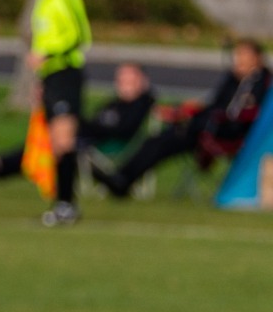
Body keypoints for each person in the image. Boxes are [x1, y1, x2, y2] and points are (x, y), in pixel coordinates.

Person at [96, 40, 269, 198]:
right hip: (204, 127)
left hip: (225, 134)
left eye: (243, 56)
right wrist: (183, 111)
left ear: (257, 58)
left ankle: (123, 180)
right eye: (237, 56)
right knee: (157, 140)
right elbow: (214, 105)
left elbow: (240, 115)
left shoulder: (261, 82)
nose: (238, 61)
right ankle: (122, 178)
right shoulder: (232, 79)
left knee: (165, 141)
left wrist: (202, 118)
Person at [0, 62, 153, 180]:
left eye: (129, 80)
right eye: (121, 79)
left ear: (142, 81)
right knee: (44, 140)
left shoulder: (141, 103)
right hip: (84, 136)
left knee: (52, 140)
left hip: (96, 144)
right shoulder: (114, 103)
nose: (123, 84)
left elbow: (121, 129)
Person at [25, 0, 91, 226]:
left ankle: (67, 205)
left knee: (64, 140)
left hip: (66, 74)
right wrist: (41, 79)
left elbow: (79, 36)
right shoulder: (43, 0)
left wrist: (48, 54)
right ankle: (62, 202)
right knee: (55, 142)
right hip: (52, 77)